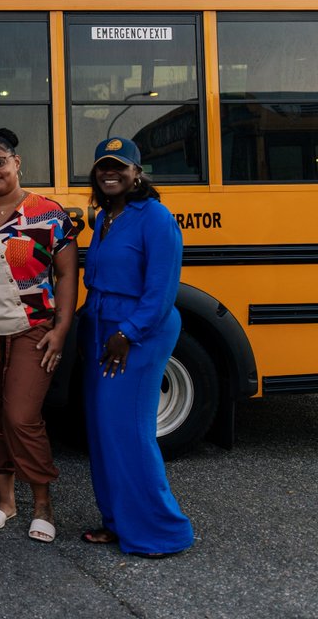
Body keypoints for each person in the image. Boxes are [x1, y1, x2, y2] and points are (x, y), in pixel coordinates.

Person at [0, 128, 77, 543]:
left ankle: (42, 504)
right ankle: (6, 501)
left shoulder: (48, 213)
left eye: (0, 163)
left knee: (21, 416)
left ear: (17, 163)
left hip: (32, 330)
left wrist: (61, 329)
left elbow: (65, 273)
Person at [79, 137, 194, 558]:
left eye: (119, 167)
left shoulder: (156, 218)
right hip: (101, 328)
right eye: (103, 167)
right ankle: (118, 522)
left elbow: (162, 291)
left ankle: (162, 530)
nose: (110, 173)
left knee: (128, 430)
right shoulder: (106, 218)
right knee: (103, 429)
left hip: (136, 334)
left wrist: (127, 333)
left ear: (137, 173)